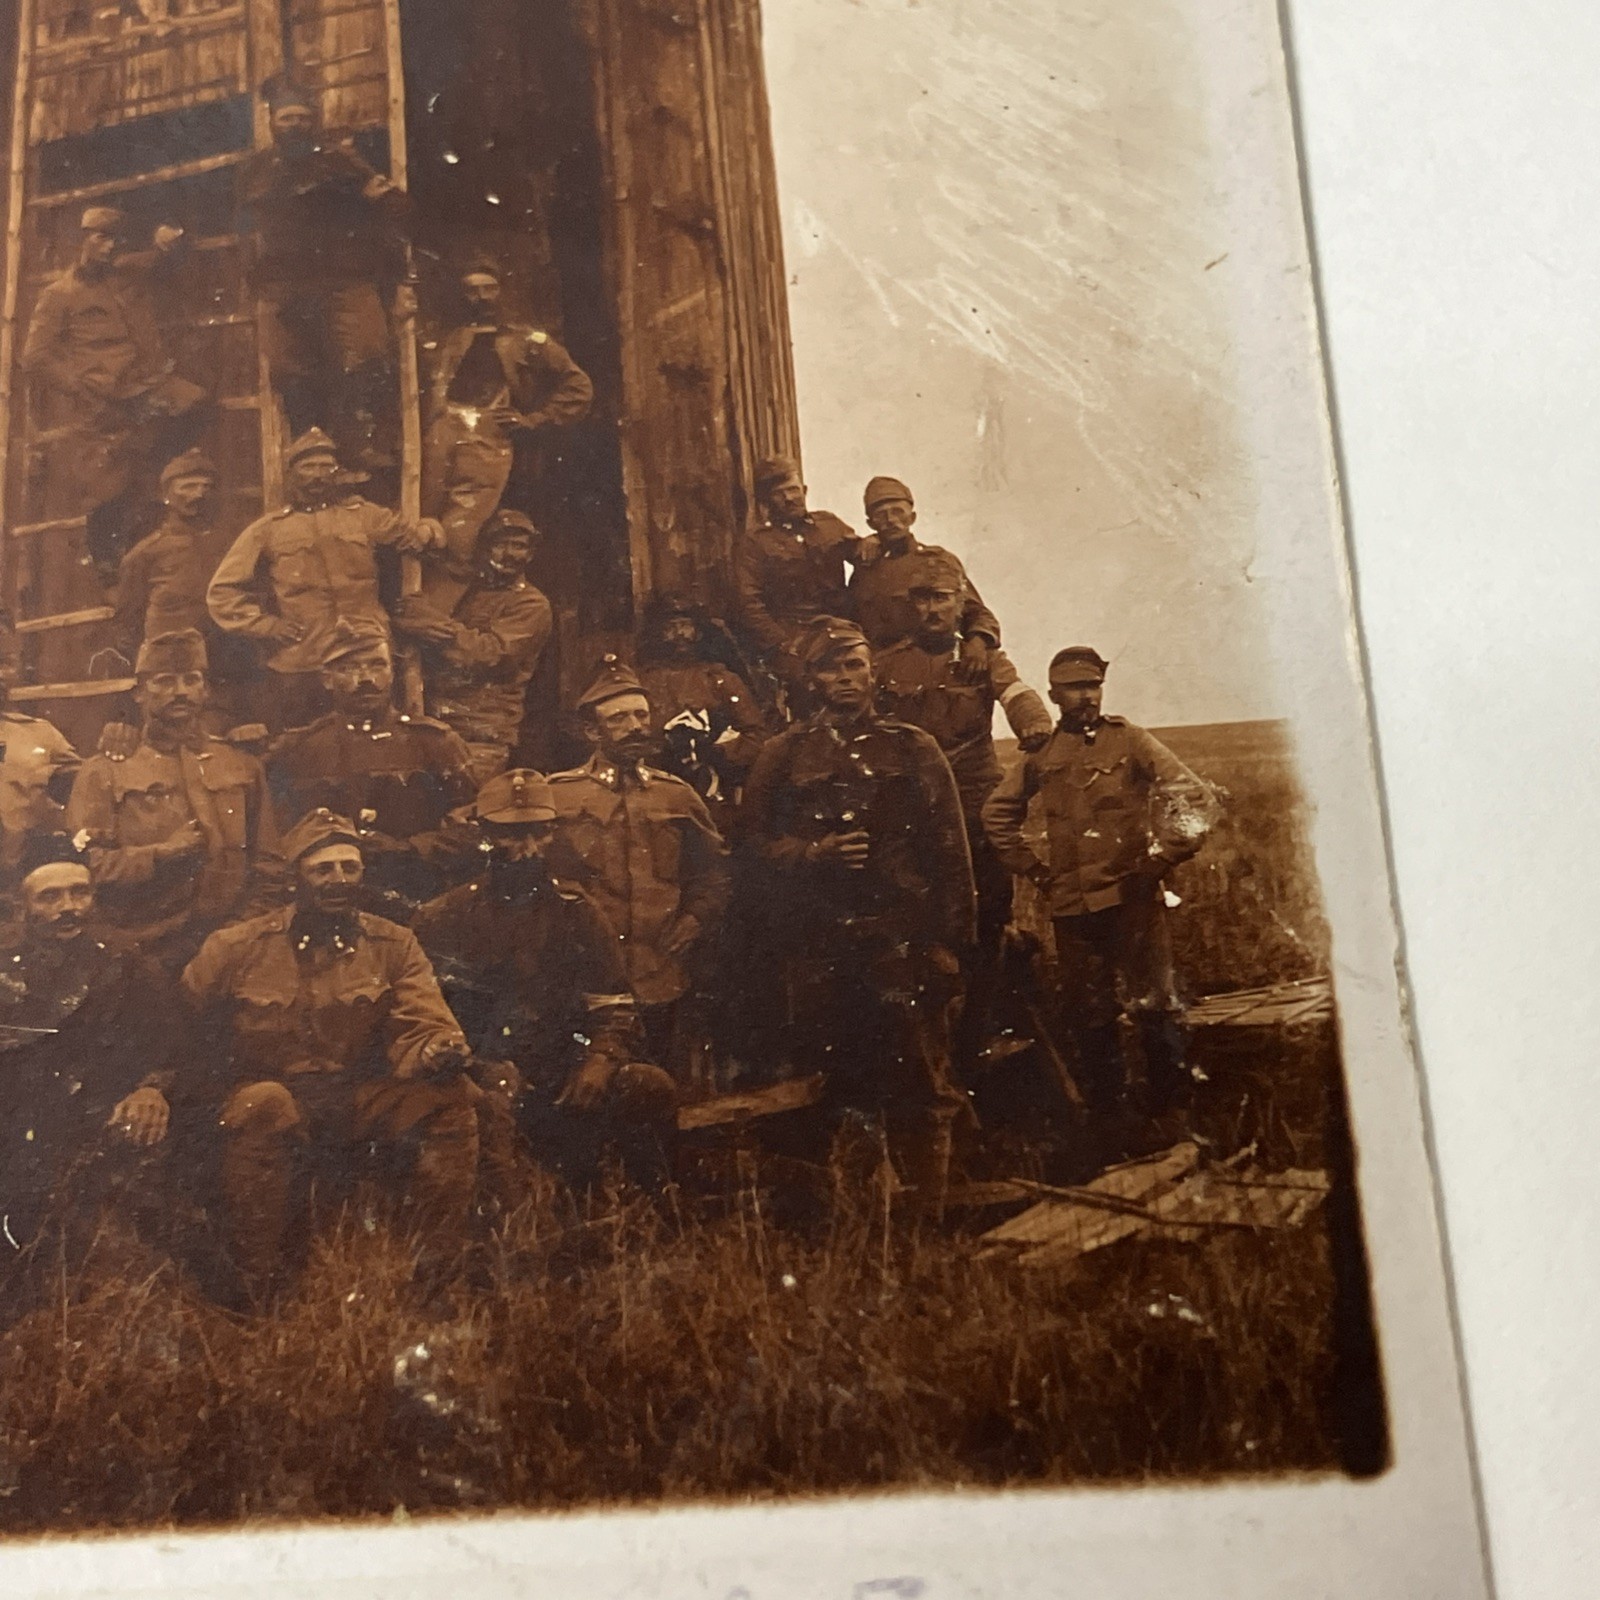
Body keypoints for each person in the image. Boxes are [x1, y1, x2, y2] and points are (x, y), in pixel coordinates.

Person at [181, 809, 478, 1303]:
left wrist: (437, 1049)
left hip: (351, 1091)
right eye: (323, 869)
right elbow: (183, 1031)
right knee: (266, 1103)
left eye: (349, 868)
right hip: (261, 1091)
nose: (338, 880)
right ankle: (256, 1283)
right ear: (297, 877)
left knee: (452, 1097)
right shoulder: (234, 947)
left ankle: (438, 1275)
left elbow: (421, 1017)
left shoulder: (392, 942)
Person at [738, 617, 976, 1209]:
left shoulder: (914, 747)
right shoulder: (783, 754)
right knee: (830, 1083)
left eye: (854, 665)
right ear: (810, 679)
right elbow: (751, 850)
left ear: (871, 672)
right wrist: (812, 853)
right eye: (829, 667)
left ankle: (925, 1215)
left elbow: (952, 853)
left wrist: (952, 945)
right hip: (818, 947)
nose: (844, 678)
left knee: (921, 1078)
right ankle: (839, 1214)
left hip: (902, 943)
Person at [981, 647, 1220, 1132]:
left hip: (1133, 899)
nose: (1086, 696)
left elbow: (1195, 796)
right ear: (1053, 695)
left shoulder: (1128, 739)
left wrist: (1162, 859)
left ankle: (1173, 1117)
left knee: (1153, 1006)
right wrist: (1034, 870)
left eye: (1093, 685)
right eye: (1074, 687)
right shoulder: (1042, 753)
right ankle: (1114, 1124)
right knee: (1090, 1015)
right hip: (1072, 908)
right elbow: (996, 814)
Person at [414, 770, 677, 1194]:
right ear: (484, 836)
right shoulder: (444, 916)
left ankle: (656, 1211)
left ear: (552, 835)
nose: (526, 850)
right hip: (482, 1075)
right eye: (512, 836)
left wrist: (600, 1060)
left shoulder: (577, 912)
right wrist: (478, 1067)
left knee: (646, 1086)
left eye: (538, 835)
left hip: (561, 1071)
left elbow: (614, 1005)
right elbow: (425, 1015)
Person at [872, 551, 1052, 1065]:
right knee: (916, 912)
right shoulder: (887, 664)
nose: (931, 610)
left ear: (959, 605)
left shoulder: (981, 658)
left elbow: (1016, 692)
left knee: (989, 911)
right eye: (922, 599)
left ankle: (979, 1024)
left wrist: (1034, 726)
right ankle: (930, 1033)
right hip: (913, 804)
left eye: (941, 599)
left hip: (974, 794)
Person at [0, 835, 176, 1293]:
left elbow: (170, 1042)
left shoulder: (126, 960)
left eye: (80, 893)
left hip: (99, 1112)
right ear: (23, 905)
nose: (69, 907)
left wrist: (151, 1088)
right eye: (50, 897)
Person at [548, 657, 730, 1070]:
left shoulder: (678, 796)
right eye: (619, 719)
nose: (635, 727)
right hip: (587, 977)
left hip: (660, 972)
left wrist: (695, 919)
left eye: (641, 716)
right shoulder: (558, 796)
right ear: (592, 731)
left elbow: (713, 873)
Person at [65, 629, 280, 970]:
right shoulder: (104, 770)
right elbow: (83, 866)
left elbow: (270, 863)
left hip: (233, 941)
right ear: (138, 692)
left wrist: (240, 931)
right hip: (142, 946)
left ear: (205, 690)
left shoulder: (241, 764)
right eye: (163, 681)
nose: (180, 692)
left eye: (191, 680)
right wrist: (157, 855)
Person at [206, 428, 444, 728]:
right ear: (292, 474)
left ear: (337, 473)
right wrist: (268, 625)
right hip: (304, 661)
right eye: (308, 467)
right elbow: (222, 592)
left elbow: (416, 536)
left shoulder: (364, 516)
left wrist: (428, 530)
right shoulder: (269, 529)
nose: (317, 475)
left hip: (364, 658)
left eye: (325, 467)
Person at [20, 206, 209, 574]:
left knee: (194, 405)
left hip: (148, 386)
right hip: (102, 399)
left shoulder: (129, 273)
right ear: (81, 240)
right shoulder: (60, 295)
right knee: (109, 488)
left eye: (115, 239)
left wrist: (173, 238)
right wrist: (78, 385)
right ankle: (108, 571)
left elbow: (168, 259)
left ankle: (151, 473)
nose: (109, 247)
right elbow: (35, 357)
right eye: (100, 237)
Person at [236, 75, 411, 469]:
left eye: (301, 117)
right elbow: (244, 230)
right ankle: (309, 449)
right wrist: (254, 283)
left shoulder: (339, 160)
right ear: (271, 122)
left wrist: (372, 200)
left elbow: (396, 206)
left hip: (343, 279)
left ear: (312, 120)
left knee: (367, 354)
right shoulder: (255, 170)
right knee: (290, 369)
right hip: (282, 286)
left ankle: (360, 444)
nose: (294, 125)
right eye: (286, 118)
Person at [266, 618, 477, 922]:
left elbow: (474, 829)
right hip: (327, 901)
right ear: (326, 678)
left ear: (393, 672)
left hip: (414, 897)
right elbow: (275, 833)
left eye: (377, 665)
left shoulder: (434, 742)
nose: (366, 679)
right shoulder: (300, 749)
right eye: (349, 668)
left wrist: (409, 849)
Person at [421, 259, 593, 600]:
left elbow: (579, 386)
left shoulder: (528, 340)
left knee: (460, 535)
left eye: (489, 288)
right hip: (441, 434)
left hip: (487, 438)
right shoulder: (449, 340)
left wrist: (534, 420)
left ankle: (441, 612)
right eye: (472, 290)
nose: (481, 297)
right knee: (423, 525)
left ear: (502, 291)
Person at [393, 509, 553, 783]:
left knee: (465, 810)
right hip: (430, 724)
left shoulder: (531, 604)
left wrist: (433, 626)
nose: (509, 553)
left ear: (530, 554)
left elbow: (490, 654)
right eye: (500, 544)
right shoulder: (462, 592)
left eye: (519, 546)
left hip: (480, 735)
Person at [732, 456, 872, 699]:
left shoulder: (829, 524)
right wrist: (782, 645)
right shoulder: (756, 542)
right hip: (793, 638)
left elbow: (863, 554)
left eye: (793, 490)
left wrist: (873, 541)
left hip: (839, 631)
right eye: (778, 494)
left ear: (804, 490)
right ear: (766, 502)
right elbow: (748, 603)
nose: (789, 498)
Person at [636, 591, 769, 830]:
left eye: (686, 626)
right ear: (657, 633)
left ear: (698, 632)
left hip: (712, 792)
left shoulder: (721, 680)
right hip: (654, 790)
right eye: (670, 627)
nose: (679, 635)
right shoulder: (641, 682)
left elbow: (756, 736)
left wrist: (714, 752)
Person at [846, 476, 1001, 664]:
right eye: (881, 515)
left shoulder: (938, 561)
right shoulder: (865, 571)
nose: (891, 520)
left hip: (930, 662)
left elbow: (975, 612)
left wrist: (978, 642)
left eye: (898, 512)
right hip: (882, 669)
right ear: (871, 524)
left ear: (912, 517)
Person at [111, 449, 230, 662]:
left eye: (207, 487)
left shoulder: (229, 545)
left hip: (222, 654)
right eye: (188, 486)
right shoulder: (146, 552)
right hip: (170, 659)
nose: (199, 494)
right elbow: (128, 622)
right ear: (166, 495)